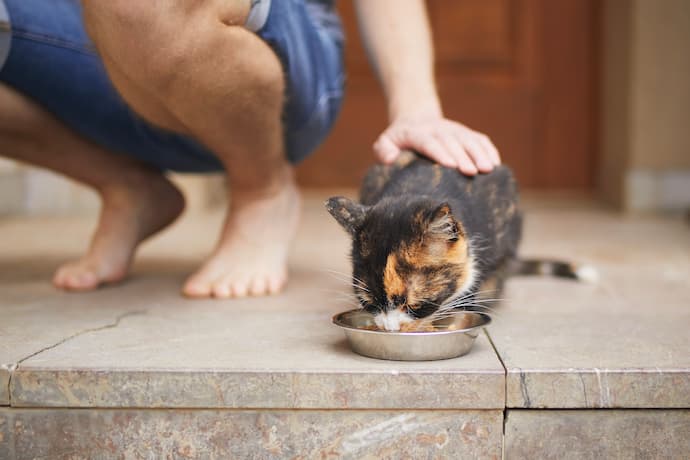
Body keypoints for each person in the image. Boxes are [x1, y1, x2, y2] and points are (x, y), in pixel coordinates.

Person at [0, 0, 500, 298]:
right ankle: (126, 184)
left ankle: (262, 187)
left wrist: (416, 104)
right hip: (99, 55)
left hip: (267, 61)